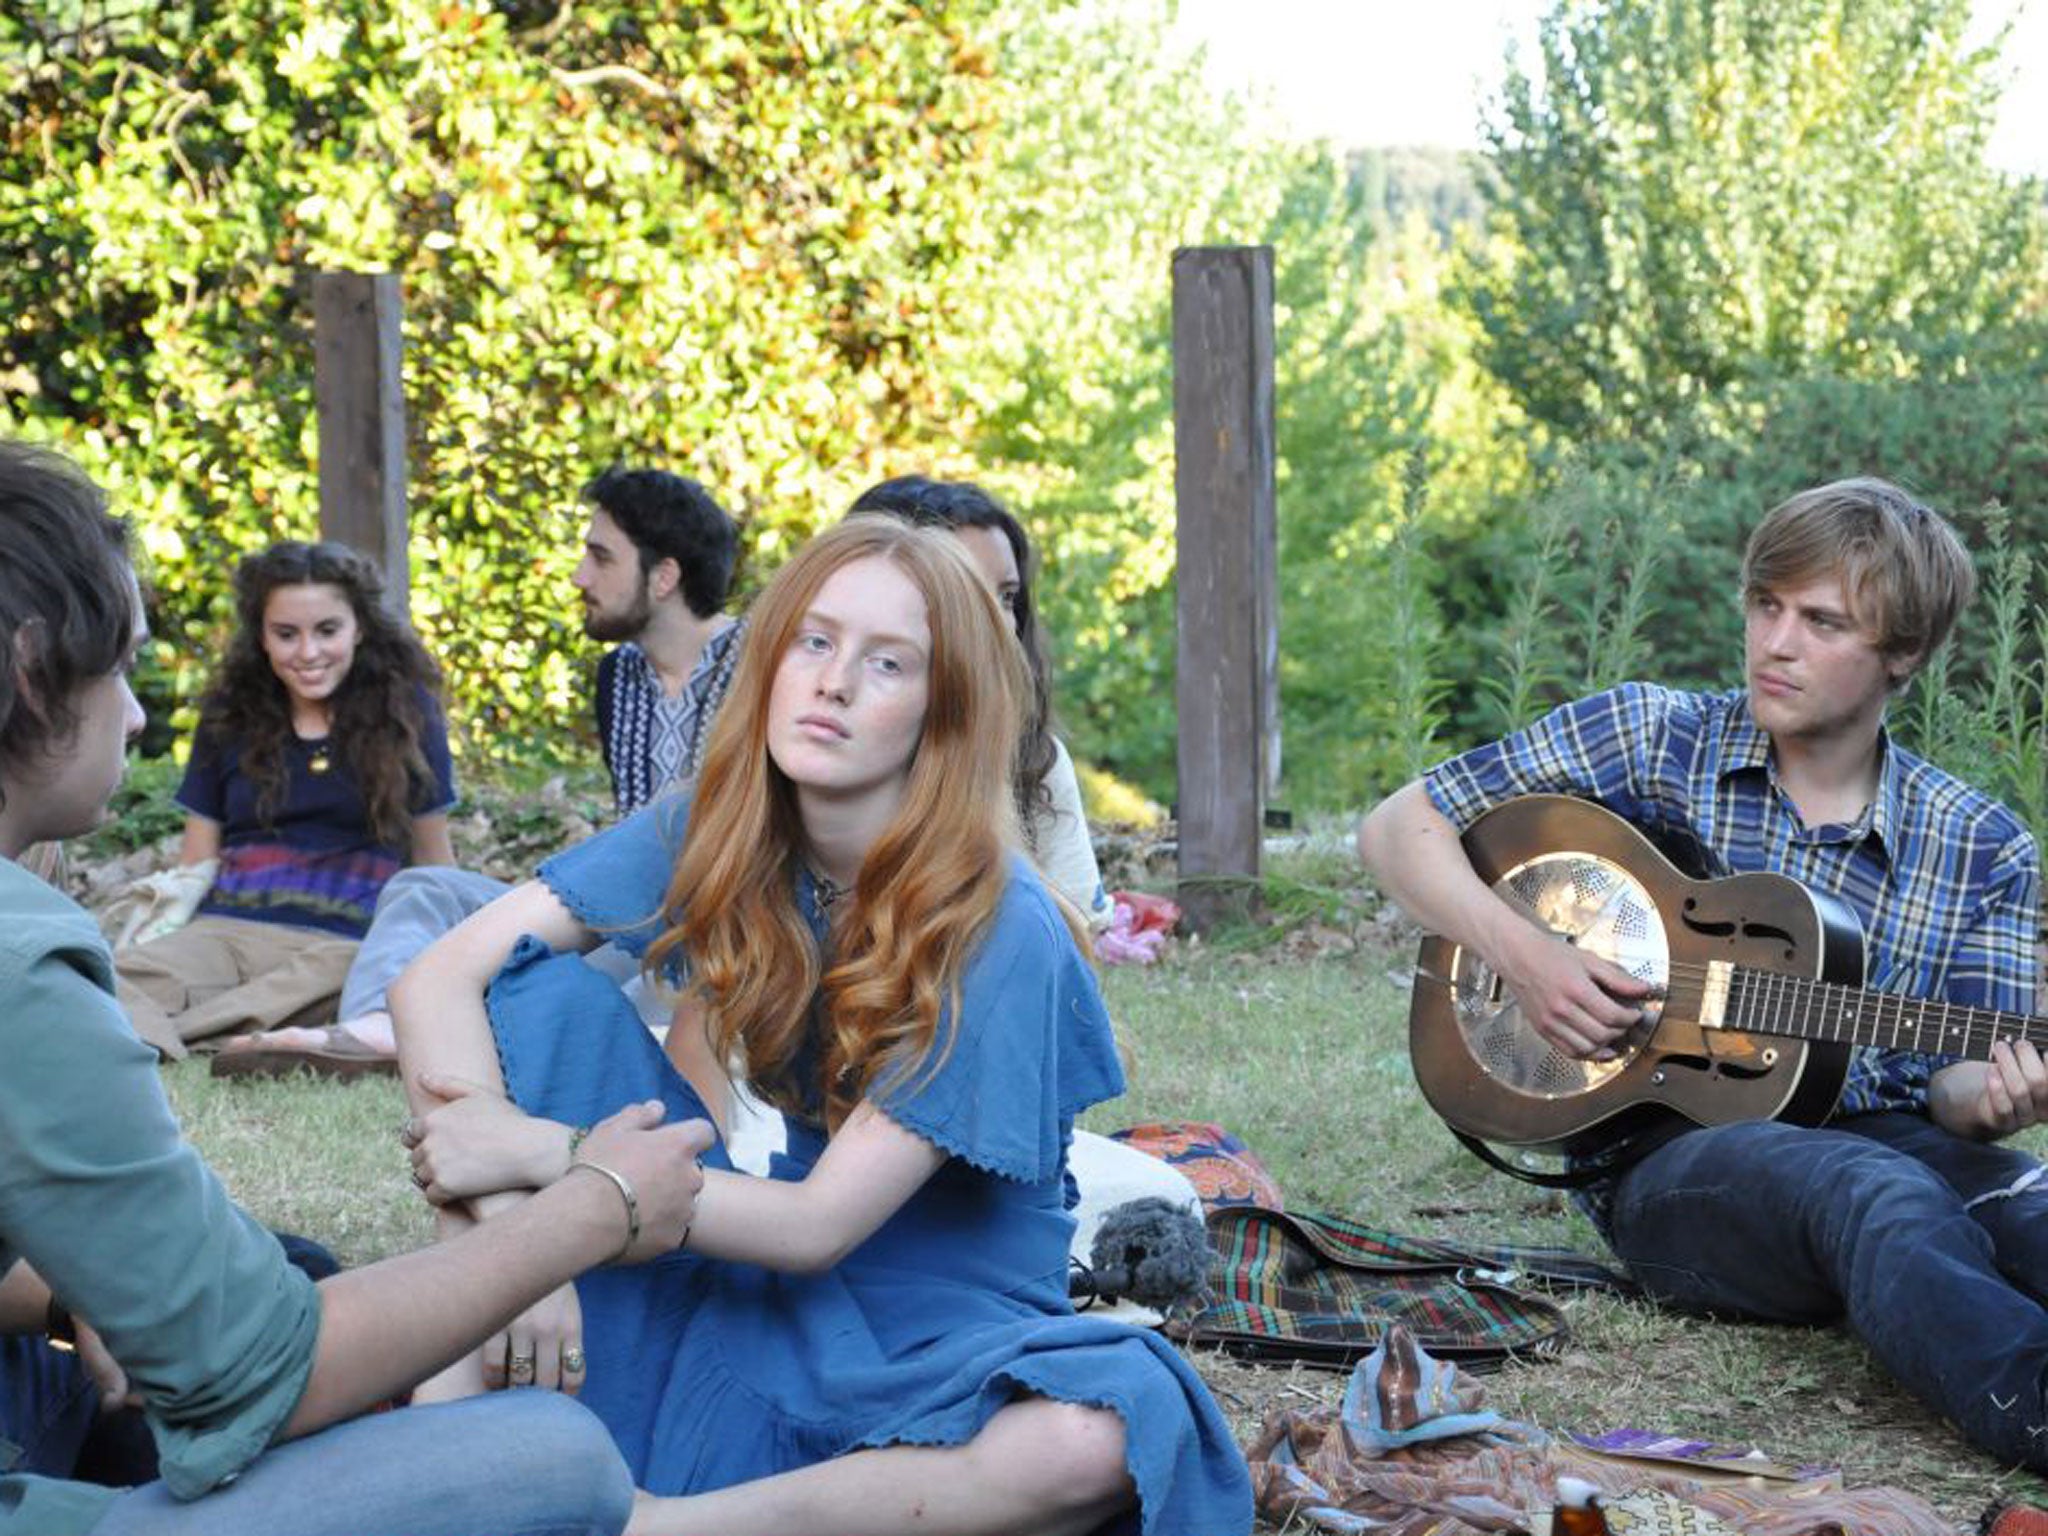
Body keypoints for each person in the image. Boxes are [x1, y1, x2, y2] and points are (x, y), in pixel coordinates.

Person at [389, 516, 1252, 1535]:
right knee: (541, 998)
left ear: (942, 713)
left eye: (886, 663)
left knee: (1099, 1431)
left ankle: (658, 1524)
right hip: (748, 1278)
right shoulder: (713, 823)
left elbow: (815, 1229)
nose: (833, 682)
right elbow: (436, 981)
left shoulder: (997, 920)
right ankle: (431, 1468)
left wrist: (544, 1159)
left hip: (932, 1328)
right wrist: (513, 1244)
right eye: (813, 640)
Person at [0, 437, 712, 1535]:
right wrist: (591, 1208)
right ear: (31, 670)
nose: (136, 715)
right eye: (123, 668)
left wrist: (63, 1290)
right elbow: (251, 1372)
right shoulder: (22, 961)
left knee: (283, 1270)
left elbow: (427, 876)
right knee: (552, 1457)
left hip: (331, 940)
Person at [1355, 478, 2048, 1471]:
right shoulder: (1653, 736)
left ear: (1902, 653)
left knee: (2018, 1200)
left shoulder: (1981, 844)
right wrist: (1531, 957)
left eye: (1820, 622)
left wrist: (1997, 1102)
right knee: (1872, 1190)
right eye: (1765, 605)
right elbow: (1396, 828)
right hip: (1671, 1161)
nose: (1774, 642)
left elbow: (1955, 1086)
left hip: (1882, 1132)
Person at [214, 466, 744, 1077]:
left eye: (601, 558)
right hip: (623, 922)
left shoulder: (759, 669)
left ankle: (482, 1027)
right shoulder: (618, 677)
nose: (579, 576)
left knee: (590, 1004)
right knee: (424, 889)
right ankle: (374, 1034)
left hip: (709, 944)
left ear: (665, 576)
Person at [111, 540, 456, 1058]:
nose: (309, 652)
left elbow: (435, 864)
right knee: (116, 979)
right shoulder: (229, 716)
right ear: (262, 637)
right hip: (227, 932)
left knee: (338, 987)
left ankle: (173, 1038)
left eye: (327, 630)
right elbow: (196, 859)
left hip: (346, 943)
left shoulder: (408, 716)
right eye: (286, 634)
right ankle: (230, 1040)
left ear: (359, 628)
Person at [849, 475, 1112, 930]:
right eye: (966, 589)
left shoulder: (1035, 760)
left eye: (1007, 597)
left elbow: (1076, 943)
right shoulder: (813, 749)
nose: (996, 619)